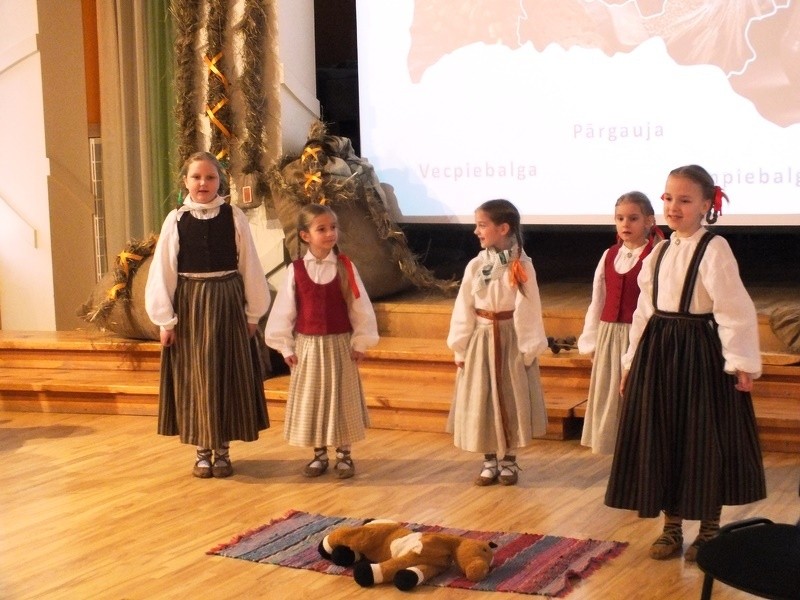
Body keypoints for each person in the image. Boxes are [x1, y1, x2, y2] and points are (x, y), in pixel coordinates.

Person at [605, 164, 766, 562]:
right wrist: (631, 363)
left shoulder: (715, 249)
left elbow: (733, 309)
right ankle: (671, 527)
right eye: (668, 197)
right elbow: (644, 310)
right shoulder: (659, 250)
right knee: (664, 437)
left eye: (684, 199)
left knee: (702, 439)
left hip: (699, 353)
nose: (673, 207)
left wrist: (741, 360)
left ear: (706, 205)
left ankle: (709, 528)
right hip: (659, 353)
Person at [145, 151, 270, 479]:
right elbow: (163, 271)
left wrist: (254, 312)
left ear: (220, 181)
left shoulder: (234, 217)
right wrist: (165, 319)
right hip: (191, 306)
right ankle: (203, 449)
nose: (203, 183)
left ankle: (224, 449)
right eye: (197, 177)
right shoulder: (175, 220)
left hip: (227, 301)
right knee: (198, 377)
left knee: (226, 374)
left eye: (210, 177)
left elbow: (250, 265)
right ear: (185, 181)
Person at [265, 203, 378, 479]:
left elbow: (358, 305)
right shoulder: (297, 270)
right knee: (313, 398)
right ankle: (318, 454)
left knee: (341, 398)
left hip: (339, 343)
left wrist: (360, 341)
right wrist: (284, 346)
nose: (330, 234)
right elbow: (285, 310)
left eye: (333, 228)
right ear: (305, 236)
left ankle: (344, 454)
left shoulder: (344, 267)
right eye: (322, 229)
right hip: (308, 346)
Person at [447, 199, 548, 486]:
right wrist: (460, 344)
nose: (476, 231)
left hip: (510, 338)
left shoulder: (521, 265)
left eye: (482, 225)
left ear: (503, 228)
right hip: (481, 337)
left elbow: (529, 307)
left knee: (510, 397)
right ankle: (489, 459)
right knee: (483, 398)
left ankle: (509, 460)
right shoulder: (477, 265)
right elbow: (464, 304)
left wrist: (528, 349)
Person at [577, 192, 663, 455]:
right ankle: (619, 451)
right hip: (609, 334)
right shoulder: (609, 254)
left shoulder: (657, 253)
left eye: (633, 218)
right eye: (620, 218)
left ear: (649, 221)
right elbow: (598, 298)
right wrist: (591, 339)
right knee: (610, 395)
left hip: (640, 334)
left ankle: (643, 450)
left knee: (638, 395)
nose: (626, 224)